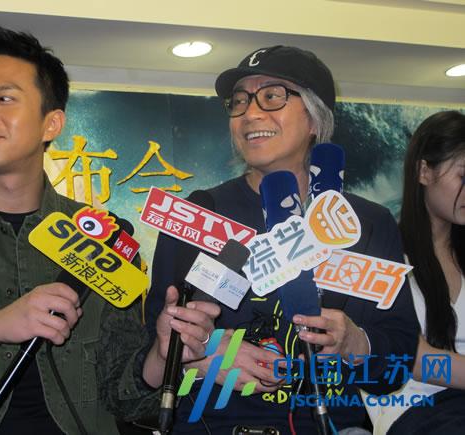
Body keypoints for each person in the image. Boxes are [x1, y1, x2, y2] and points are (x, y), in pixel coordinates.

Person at [0, 24, 218, 434]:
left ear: (52, 124)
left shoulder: (106, 237)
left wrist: (163, 356)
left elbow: (124, 396)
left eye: (5, 98)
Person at [144, 45, 420, 434]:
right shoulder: (199, 214)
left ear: (315, 120)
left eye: (272, 96)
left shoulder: (369, 223)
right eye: (239, 101)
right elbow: (150, 362)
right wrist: (196, 354)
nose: (250, 113)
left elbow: (396, 365)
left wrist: (356, 344)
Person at [368, 110, 465, 434]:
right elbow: (410, 356)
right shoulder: (384, 255)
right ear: (424, 171)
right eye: (463, 177)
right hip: (412, 411)